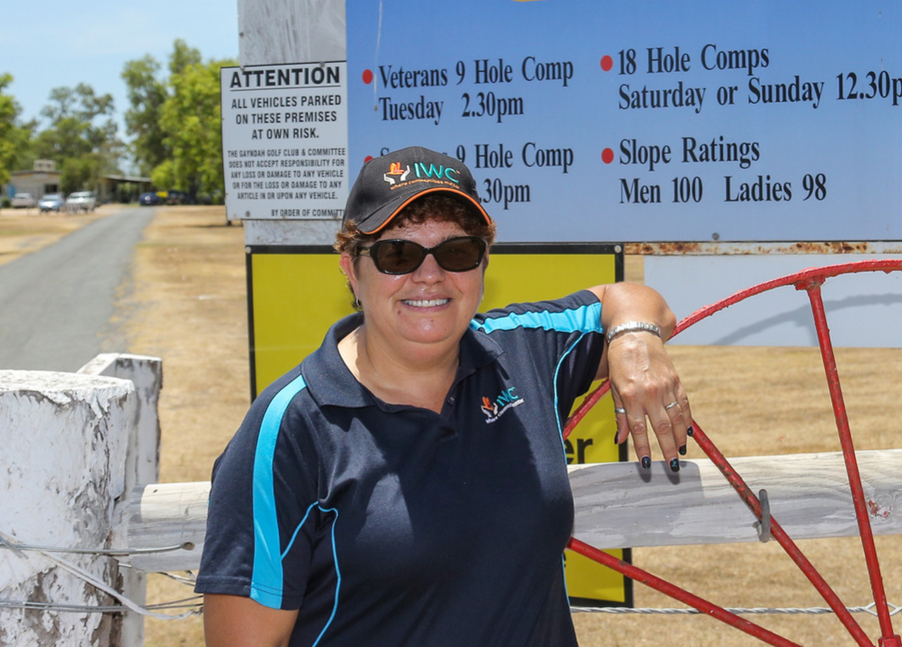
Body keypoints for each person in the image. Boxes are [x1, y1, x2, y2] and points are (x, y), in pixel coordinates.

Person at [195, 146, 694, 646]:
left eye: (456, 252)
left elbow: (627, 300)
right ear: (351, 269)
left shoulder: (523, 351)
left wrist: (635, 338)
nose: (429, 275)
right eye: (398, 254)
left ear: (483, 263)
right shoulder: (289, 427)